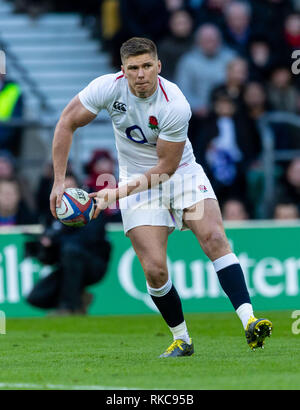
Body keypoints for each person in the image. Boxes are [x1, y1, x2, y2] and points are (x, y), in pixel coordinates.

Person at [50, 37, 272, 357]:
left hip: (180, 174)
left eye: (146, 66)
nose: (140, 74)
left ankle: (250, 321)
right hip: (135, 183)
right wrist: (59, 182)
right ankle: (182, 339)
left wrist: (112, 194)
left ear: (158, 66)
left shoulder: (175, 103)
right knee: (154, 269)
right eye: (133, 68)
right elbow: (66, 122)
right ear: (122, 70)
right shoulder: (106, 88)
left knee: (213, 237)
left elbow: (165, 167)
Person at [27, 173, 111, 315]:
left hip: (94, 264)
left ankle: (69, 308)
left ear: (80, 190)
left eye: (71, 189)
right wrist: (45, 247)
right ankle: (80, 297)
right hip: (68, 267)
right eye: (64, 191)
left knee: (71, 251)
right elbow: (50, 259)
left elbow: (91, 239)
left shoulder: (91, 208)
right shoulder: (53, 215)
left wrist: (55, 240)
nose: (67, 195)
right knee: (36, 297)